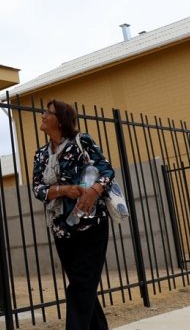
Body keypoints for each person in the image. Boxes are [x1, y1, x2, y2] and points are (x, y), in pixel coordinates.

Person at [32, 99, 114, 330]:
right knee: (83, 286)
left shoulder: (81, 142)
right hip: (61, 228)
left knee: (80, 285)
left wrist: (93, 193)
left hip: (90, 225)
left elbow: (107, 170)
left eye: (46, 113)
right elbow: (38, 189)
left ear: (60, 120)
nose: (42, 116)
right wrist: (63, 190)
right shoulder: (41, 155)